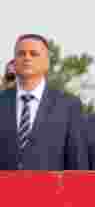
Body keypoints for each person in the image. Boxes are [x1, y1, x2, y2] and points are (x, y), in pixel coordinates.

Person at [0, 34, 89, 170]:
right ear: (14, 61)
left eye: (34, 54)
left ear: (47, 62)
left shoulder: (68, 106)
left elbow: (77, 163)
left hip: (50, 190)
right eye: (21, 53)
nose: (27, 58)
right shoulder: (2, 101)